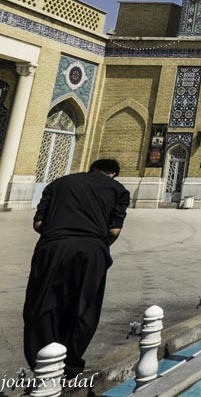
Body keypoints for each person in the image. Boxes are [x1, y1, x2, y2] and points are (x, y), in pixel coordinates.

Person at [23, 158, 130, 378]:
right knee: (83, 307)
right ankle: (69, 365)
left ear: (91, 168)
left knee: (42, 302)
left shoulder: (59, 183)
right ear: (113, 174)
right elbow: (114, 231)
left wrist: (60, 237)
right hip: (91, 251)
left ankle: (40, 361)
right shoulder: (118, 189)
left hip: (52, 248)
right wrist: (96, 244)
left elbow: (38, 225)